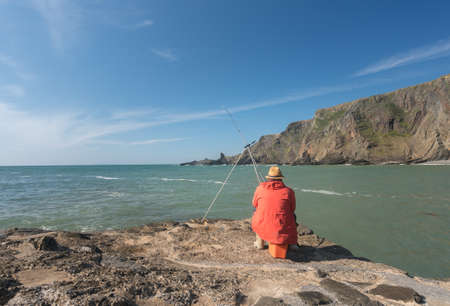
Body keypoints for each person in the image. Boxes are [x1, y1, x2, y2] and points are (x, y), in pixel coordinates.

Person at [251, 166, 298, 250]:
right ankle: (292, 244)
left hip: (264, 222)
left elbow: (254, 204)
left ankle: (260, 243)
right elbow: (292, 208)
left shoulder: (259, 189)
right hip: (282, 225)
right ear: (281, 179)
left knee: (257, 212)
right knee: (292, 216)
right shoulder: (289, 191)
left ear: (269, 179)